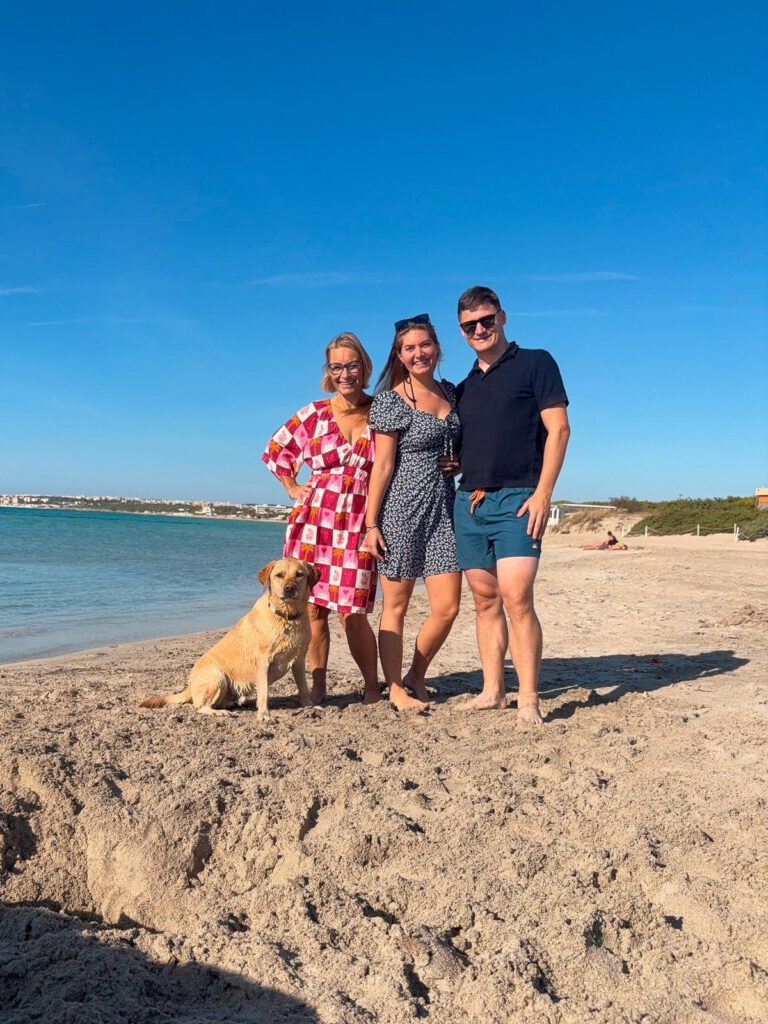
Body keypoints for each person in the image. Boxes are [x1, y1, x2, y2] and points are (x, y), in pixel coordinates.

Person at [453, 286, 571, 724]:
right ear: (461, 331)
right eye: (470, 325)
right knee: (485, 601)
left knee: (517, 597)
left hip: (519, 499)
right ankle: (493, 690)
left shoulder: (536, 363)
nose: (479, 329)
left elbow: (559, 431)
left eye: (486, 320)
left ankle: (528, 697)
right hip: (470, 503)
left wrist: (543, 493)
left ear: (502, 316)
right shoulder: (463, 388)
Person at [262, 332, 380, 705]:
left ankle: (372, 686)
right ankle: (318, 685)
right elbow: (276, 448)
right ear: (329, 372)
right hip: (313, 521)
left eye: (352, 365)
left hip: (359, 521)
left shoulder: (381, 412)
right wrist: (291, 487)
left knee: (353, 610)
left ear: (364, 366)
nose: (345, 373)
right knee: (314, 609)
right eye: (337, 366)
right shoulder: (314, 413)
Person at [365, 314, 462, 711]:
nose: (419, 353)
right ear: (400, 356)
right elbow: (383, 465)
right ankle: (395, 688)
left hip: (444, 510)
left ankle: (416, 675)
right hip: (401, 512)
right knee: (397, 606)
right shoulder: (391, 399)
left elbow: (461, 442)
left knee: (447, 607)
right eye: (410, 348)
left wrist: (459, 463)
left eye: (425, 345)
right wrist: (371, 524)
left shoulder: (453, 393)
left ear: (436, 347)